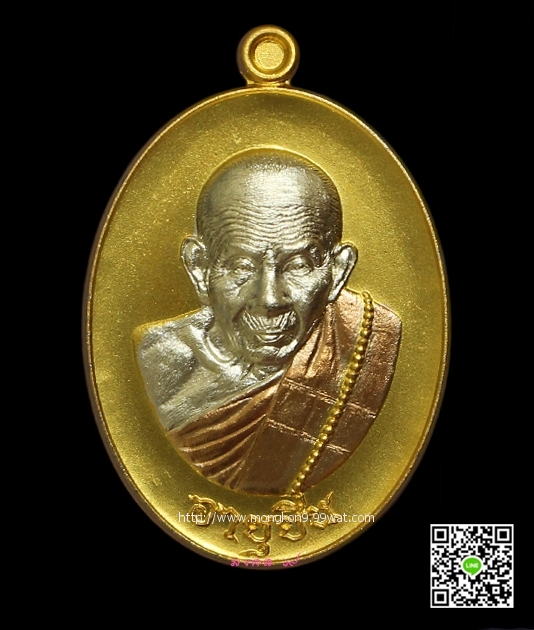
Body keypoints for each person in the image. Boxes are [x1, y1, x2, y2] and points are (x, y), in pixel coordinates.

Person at [135, 149, 401, 495]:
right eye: (241, 265)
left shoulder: (369, 341)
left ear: (337, 272)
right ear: (200, 268)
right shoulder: (158, 360)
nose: (270, 299)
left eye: (299, 265)